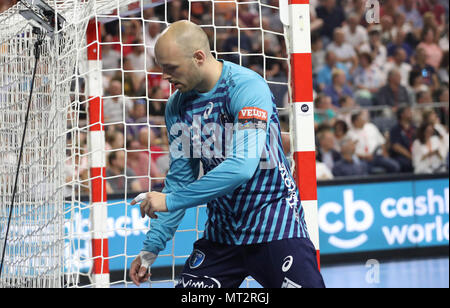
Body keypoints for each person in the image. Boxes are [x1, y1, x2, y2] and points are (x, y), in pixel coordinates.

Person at [129, 20, 325, 288]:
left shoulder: (246, 88)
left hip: (274, 224)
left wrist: (170, 200)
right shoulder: (177, 106)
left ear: (199, 57)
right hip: (222, 235)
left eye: (170, 67)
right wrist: (151, 249)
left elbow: (241, 168)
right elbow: (180, 179)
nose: (164, 76)